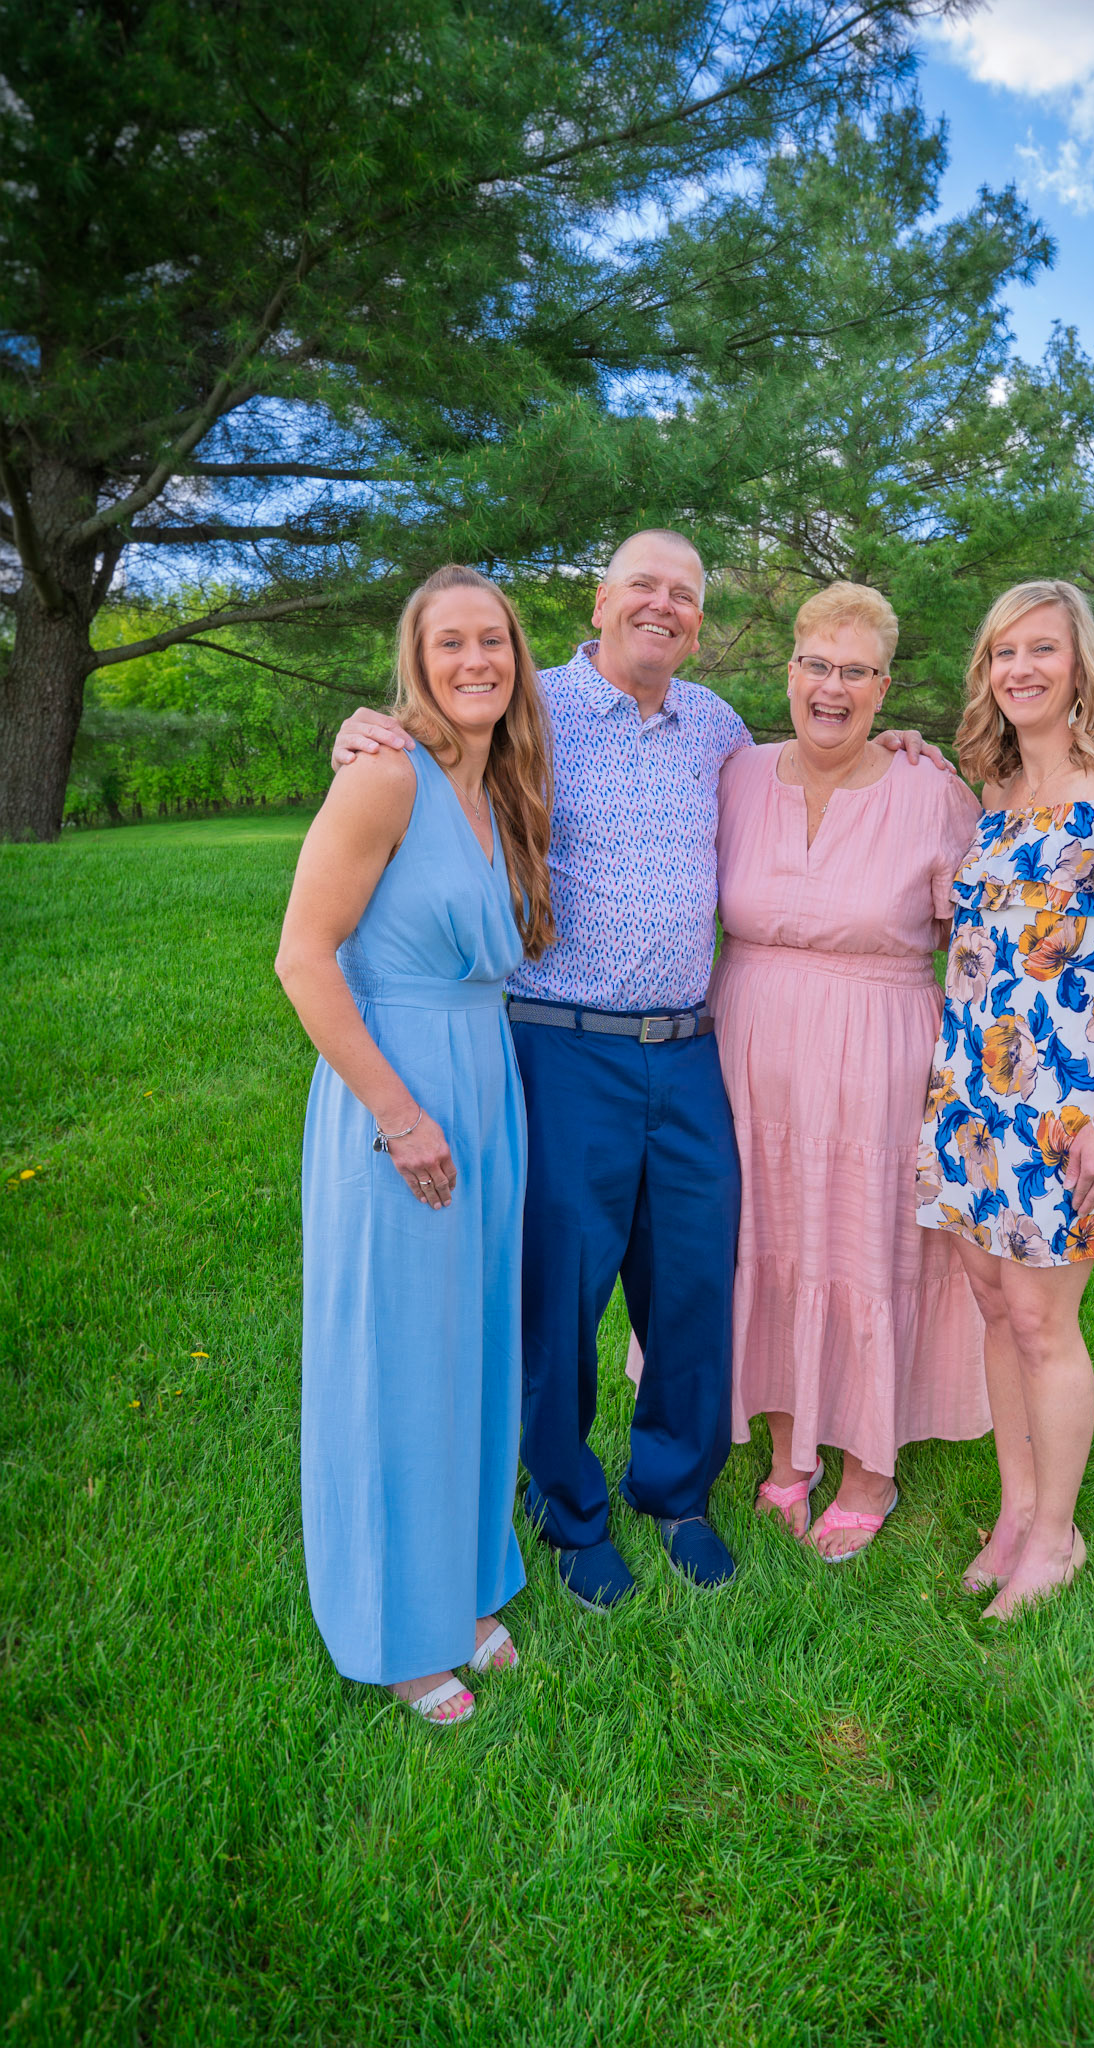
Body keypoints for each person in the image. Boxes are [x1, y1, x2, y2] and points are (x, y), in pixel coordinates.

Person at [332, 531, 943, 1612]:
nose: (662, 605)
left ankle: (676, 1493)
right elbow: (431, 740)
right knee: (562, 1292)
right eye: (643, 586)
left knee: (695, 1284)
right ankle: (568, 1508)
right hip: (564, 1044)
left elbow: (814, 758)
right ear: (600, 600)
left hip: (693, 1050)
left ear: (699, 624)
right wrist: (364, 729)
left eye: (684, 594)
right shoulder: (531, 708)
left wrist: (896, 743)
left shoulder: (716, 729)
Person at [276, 565, 554, 1724]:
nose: (475, 659)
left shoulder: (502, 783)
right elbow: (303, 957)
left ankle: (465, 1584)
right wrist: (398, 1113)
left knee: (472, 1344)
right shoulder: (384, 775)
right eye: (451, 642)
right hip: (395, 1090)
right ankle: (395, 1629)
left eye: (493, 639)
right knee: (396, 1358)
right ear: (417, 659)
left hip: (485, 1079)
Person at [915, 578, 1094, 1618]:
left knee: (1044, 1322)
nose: (1020, 669)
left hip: (1065, 1101)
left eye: (1041, 648)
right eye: (1003, 653)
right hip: (970, 1092)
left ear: (1079, 660)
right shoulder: (992, 788)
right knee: (995, 1309)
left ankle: (1057, 1537)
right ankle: (1014, 1513)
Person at [710, 583, 990, 1558]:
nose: (832, 687)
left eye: (855, 671)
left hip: (879, 1056)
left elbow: (978, 945)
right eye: (816, 664)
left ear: (884, 688)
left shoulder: (931, 791)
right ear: (789, 670)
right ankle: (790, 1450)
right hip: (747, 1056)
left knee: (868, 1248)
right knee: (775, 1238)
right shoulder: (737, 772)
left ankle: (872, 1463)